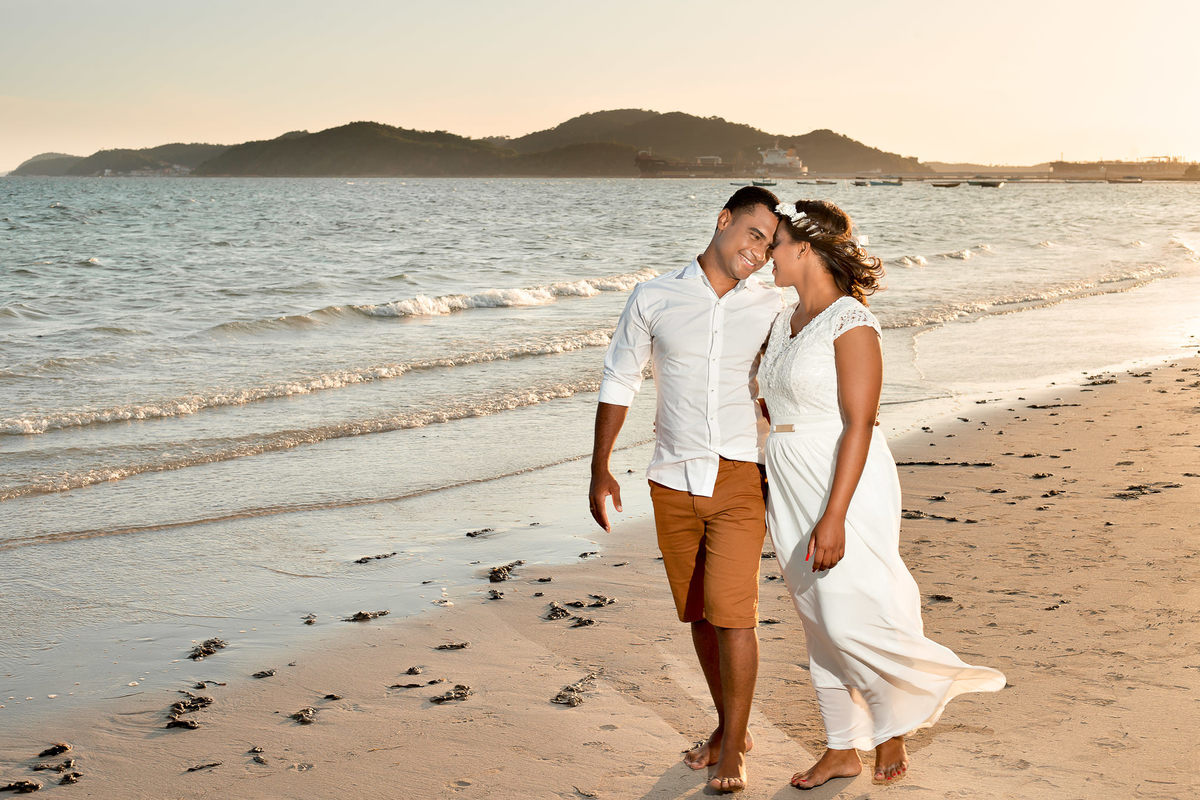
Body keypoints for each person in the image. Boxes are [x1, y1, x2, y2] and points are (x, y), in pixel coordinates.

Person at [759, 199, 1006, 788]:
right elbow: (774, 399)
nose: (768, 252)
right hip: (789, 474)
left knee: (849, 612)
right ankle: (842, 747)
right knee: (817, 618)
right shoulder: (782, 320)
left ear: (805, 249)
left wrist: (835, 514)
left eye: (775, 241)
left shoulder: (852, 322)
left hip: (842, 474)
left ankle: (895, 712)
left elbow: (860, 424)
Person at [589, 186, 784, 793]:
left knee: (735, 616)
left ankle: (734, 751)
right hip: (670, 479)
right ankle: (730, 727)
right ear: (724, 220)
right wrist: (600, 470)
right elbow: (620, 378)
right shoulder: (654, 296)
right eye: (754, 234)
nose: (760, 251)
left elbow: (798, 368)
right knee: (700, 614)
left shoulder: (775, 304)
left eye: (770, 244)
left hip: (739, 475)